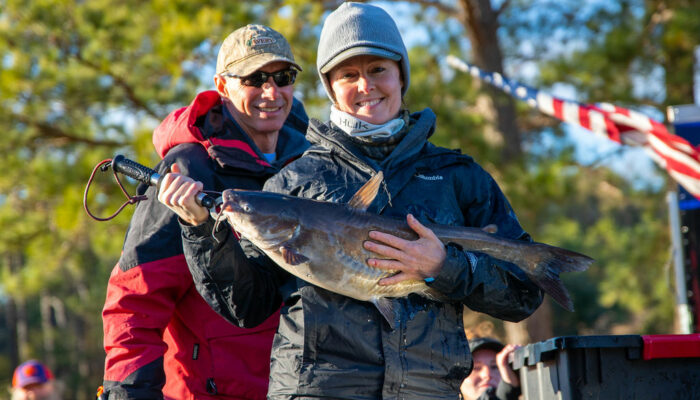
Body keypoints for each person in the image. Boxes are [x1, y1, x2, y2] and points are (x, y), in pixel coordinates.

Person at [158, 3, 543, 398]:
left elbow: (523, 293)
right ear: (330, 84)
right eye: (347, 74)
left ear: (400, 74)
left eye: (377, 69)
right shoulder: (292, 181)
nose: (365, 86)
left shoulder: (458, 176)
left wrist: (444, 267)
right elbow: (245, 306)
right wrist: (201, 231)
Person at [100, 24, 309, 399]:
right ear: (222, 86)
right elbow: (133, 301)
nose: (271, 91)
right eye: (254, 78)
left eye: (283, 76)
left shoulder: (312, 165)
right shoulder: (189, 169)